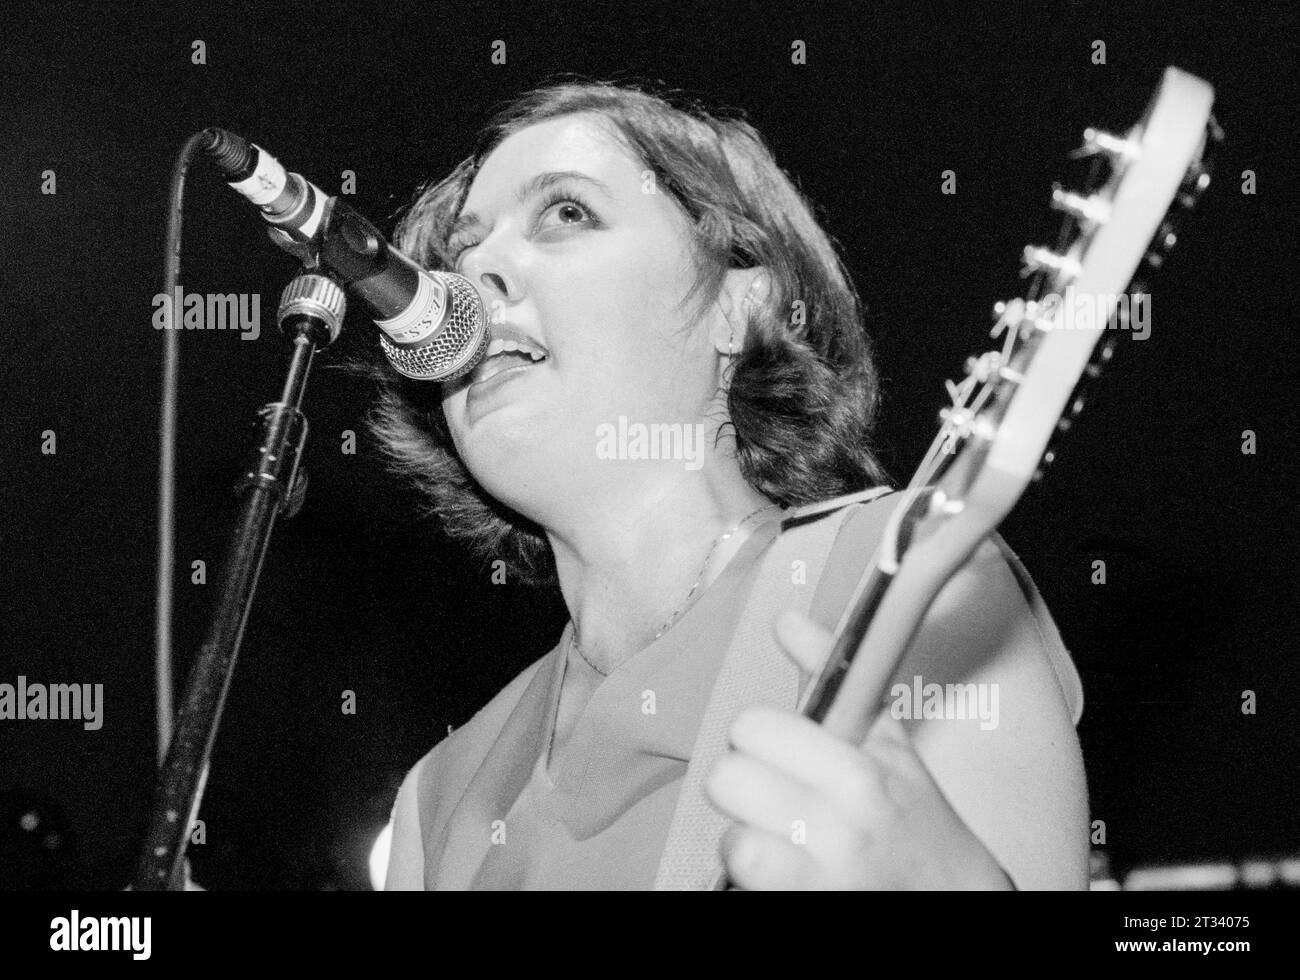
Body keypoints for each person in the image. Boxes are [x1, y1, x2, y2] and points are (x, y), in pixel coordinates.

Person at [375, 80, 1087, 890]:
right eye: (462, 250)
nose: (469, 275)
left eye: (566, 213)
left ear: (739, 306)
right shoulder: (439, 802)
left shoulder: (900, 582)